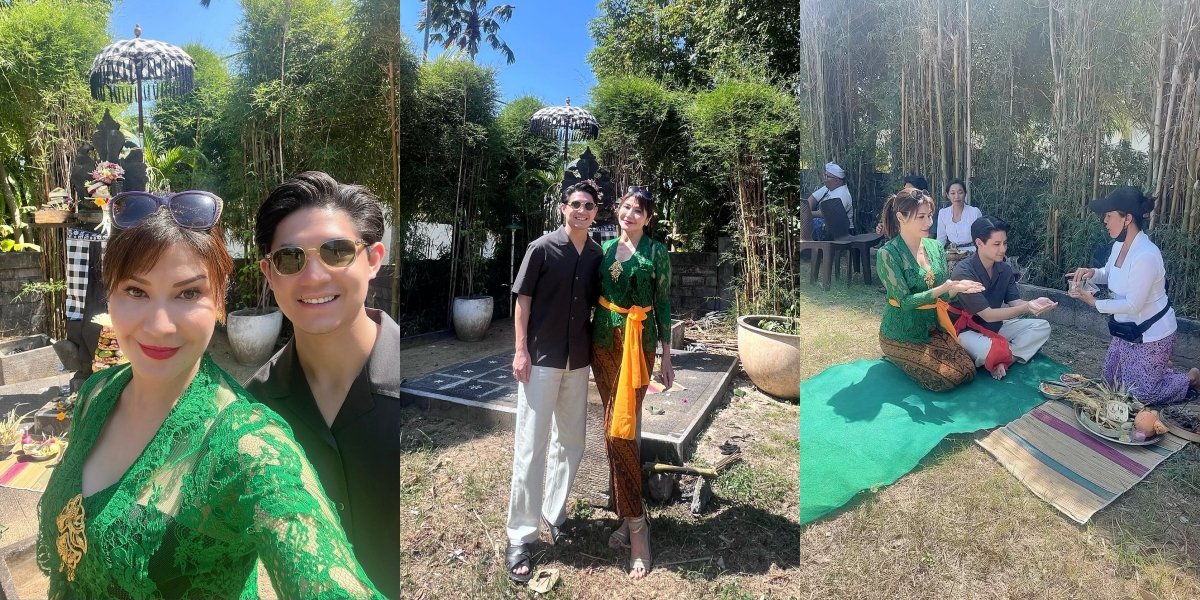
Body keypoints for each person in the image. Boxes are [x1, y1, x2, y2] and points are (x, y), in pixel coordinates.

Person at [36, 191, 382, 599]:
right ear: (109, 293)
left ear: (219, 298)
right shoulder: (98, 394)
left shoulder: (248, 446)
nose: (160, 325)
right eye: (135, 291)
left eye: (188, 293)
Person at [244, 171, 399, 598]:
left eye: (336, 252)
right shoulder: (254, 412)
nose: (313, 276)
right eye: (290, 258)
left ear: (373, 259)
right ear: (269, 274)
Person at [506, 181, 604, 582]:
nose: (582, 210)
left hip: (577, 362)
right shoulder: (542, 248)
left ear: (597, 213)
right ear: (563, 208)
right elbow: (522, 300)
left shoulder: (599, 254)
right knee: (531, 445)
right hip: (542, 358)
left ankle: (554, 511)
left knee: (573, 442)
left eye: (589, 206)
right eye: (575, 204)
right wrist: (520, 350)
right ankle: (521, 535)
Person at [591, 185, 674, 579]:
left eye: (638, 210)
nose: (630, 214)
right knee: (622, 430)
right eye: (625, 207)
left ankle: (638, 528)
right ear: (617, 211)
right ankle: (627, 514)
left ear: (648, 217)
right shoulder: (604, 249)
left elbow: (665, 305)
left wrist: (668, 358)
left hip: (638, 344)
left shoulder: (657, 253)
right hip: (603, 344)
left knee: (618, 432)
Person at [1068, 186, 1200, 403]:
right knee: (1111, 384)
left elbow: (1133, 305)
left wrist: (1094, 302)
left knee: (1141, 395)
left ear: (1127, 218)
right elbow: (1108, 273)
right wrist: (1091, 272)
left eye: (1109, 216)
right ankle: (1159, 370)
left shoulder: (1146, 255)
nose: (1105, 221)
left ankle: (1191, 378)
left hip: (1152, 334)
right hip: (1127, 332)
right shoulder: (1119, 246)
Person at [876, 188, 985, 391]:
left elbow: (943, 293)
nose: (929, 223)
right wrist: (942, 288)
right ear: (901, 217)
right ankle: (894, 354)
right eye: (921, 217)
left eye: (930, 215)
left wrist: (957, 288)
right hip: (900, 332)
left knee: (968, 370)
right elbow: (905, 302)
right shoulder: (888, 254)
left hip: (932, 328)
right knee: (947, 379)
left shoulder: (935, 247)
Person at [951, 216, 1055, 380]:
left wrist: (1033, 303)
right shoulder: (964, 271)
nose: (1003, 249)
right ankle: (998, 355)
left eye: (1005, 243)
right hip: (966, 331)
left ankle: (1006, 360)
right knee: (987, 350)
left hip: (995, 327)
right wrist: (1026, 307)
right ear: (979, 243)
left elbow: (1016, 303)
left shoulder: (1004, 269)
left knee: (1042, 326)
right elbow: (987, 314)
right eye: (997, 244)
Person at [806, 162, 853, 238]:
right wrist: (806, 210)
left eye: (827, 176)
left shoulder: (843, 194)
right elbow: (812, 199)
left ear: (837, 180)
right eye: (825, 175)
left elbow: (825, 214)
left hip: (840, 230)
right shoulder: (827, 188)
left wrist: (807, 214)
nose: (824, 178)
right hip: (826, 226)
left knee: (815, 222)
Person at [936, 178, 982, 253]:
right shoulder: (943, 213)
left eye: (960, 192)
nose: (957, 196)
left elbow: (982, 237)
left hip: (973, 253)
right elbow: (941, 239)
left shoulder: (975, 212)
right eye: (953, 193)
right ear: (948, 195)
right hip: (952, 253)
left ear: (965, 194)